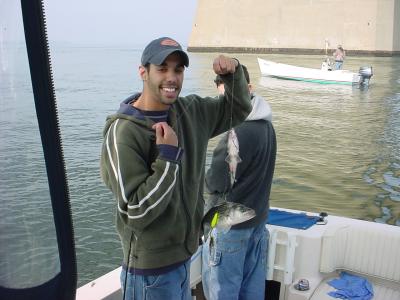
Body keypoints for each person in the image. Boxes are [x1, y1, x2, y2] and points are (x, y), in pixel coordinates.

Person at [100, 36, 251, 300]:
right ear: (143, 72)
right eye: (162, 68)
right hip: (149, 275)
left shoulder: (192, 111)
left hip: (185, 258)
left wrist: (234, 73)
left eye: (178, 70)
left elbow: (238, 109)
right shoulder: (123, 133)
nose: (171, 77)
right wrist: (168, 156)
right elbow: (135, 212)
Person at [202, 65, 276, 300]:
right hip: (258, 222)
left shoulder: (234, 134)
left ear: (248, 89)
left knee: (222, 291)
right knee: (252, 290)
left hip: (230, 228)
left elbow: (215, 182)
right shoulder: (267, 125)